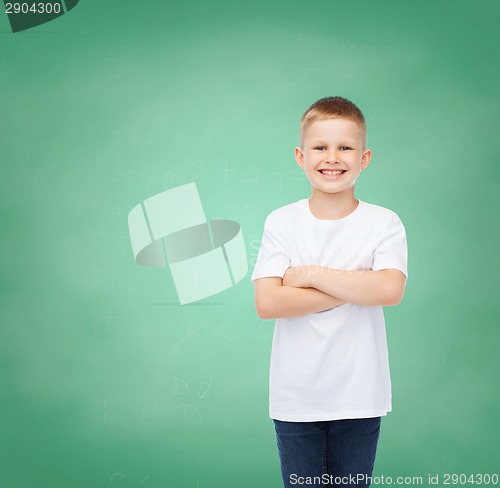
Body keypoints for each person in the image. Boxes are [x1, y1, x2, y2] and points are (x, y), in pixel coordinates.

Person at [250, 96, 408, 488]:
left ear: (364, 157)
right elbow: (269, 302)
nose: (332, 157)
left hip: (360, 393)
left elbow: (389, 289)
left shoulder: (383, 223)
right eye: (320, 147)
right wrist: (357, 285)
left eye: (345, 147)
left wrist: (309, 275)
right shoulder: (283, 221)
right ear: (300, 156)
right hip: (295, 397)